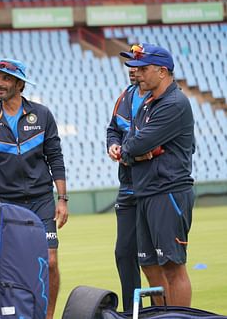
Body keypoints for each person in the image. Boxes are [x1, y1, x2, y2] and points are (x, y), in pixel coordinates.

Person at [0, 59, 68, 319]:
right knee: (9, 267)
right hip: (5, 203)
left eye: (6, 79)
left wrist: (62, 199)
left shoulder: (43, 115)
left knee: (50, 262)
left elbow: (55, 158)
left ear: (20, 84)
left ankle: (47, 316)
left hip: (41, 200)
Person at [121, 44, 194, 306]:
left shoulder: (174, 103)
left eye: (143, 68)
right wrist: (141, 152)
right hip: (146, 191)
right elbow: (132, 145)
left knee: (173, 267)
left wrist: (137, 151)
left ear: (162, 71)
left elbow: (134, 146)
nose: (136, 73)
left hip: (169, 191)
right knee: (150, 266)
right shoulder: (147, 104)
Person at [106, 45, 153, 311]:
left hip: (155, 187)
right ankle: (131, 313)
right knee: (124, 253)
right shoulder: (125, 97)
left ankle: (166, 313)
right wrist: (112, 144)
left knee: (157, 259)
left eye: (137, 66)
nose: (132, 71)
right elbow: (113, 129)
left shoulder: (165, 99)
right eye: (129, 66)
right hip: (127, 187)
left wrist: (129, 153)